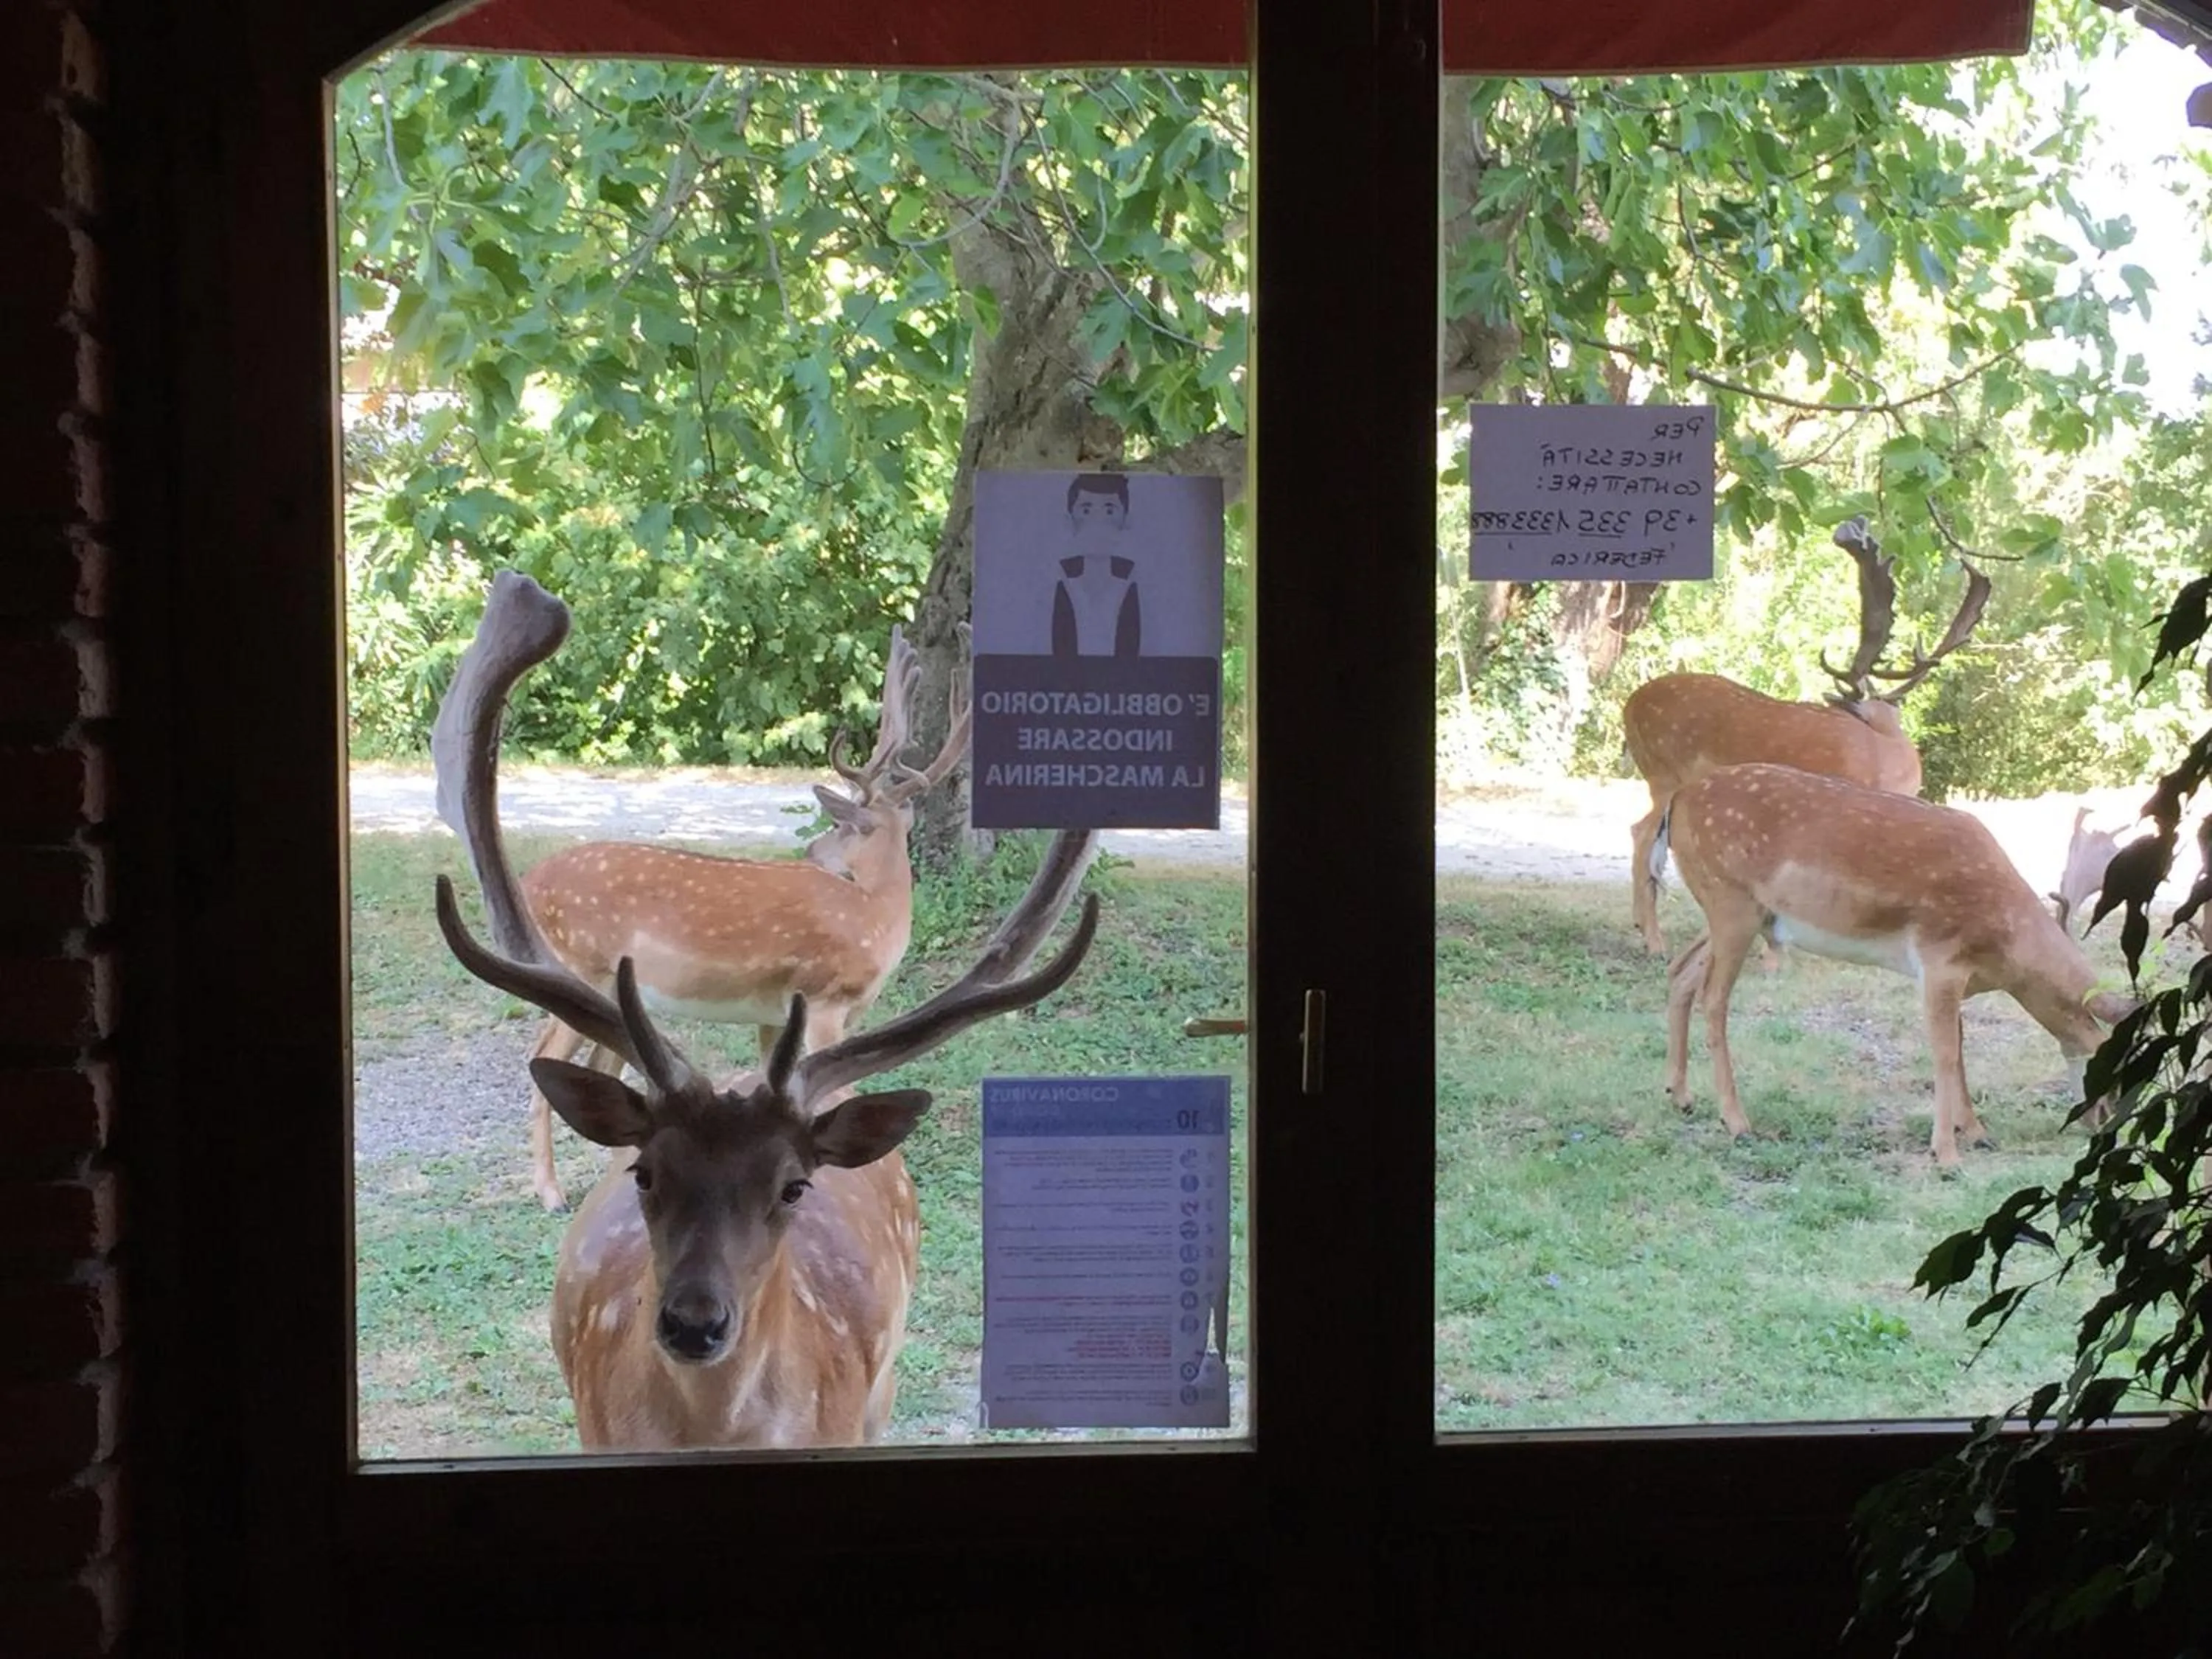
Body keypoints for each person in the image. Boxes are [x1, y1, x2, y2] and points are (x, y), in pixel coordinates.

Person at [1050, 473, 1141, 657]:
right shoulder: (1063, 579)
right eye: (1086, 511)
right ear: (1070, 521)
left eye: (1109, 511)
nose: (1097, 523)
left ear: (1125, 520)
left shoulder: (1130, 579)